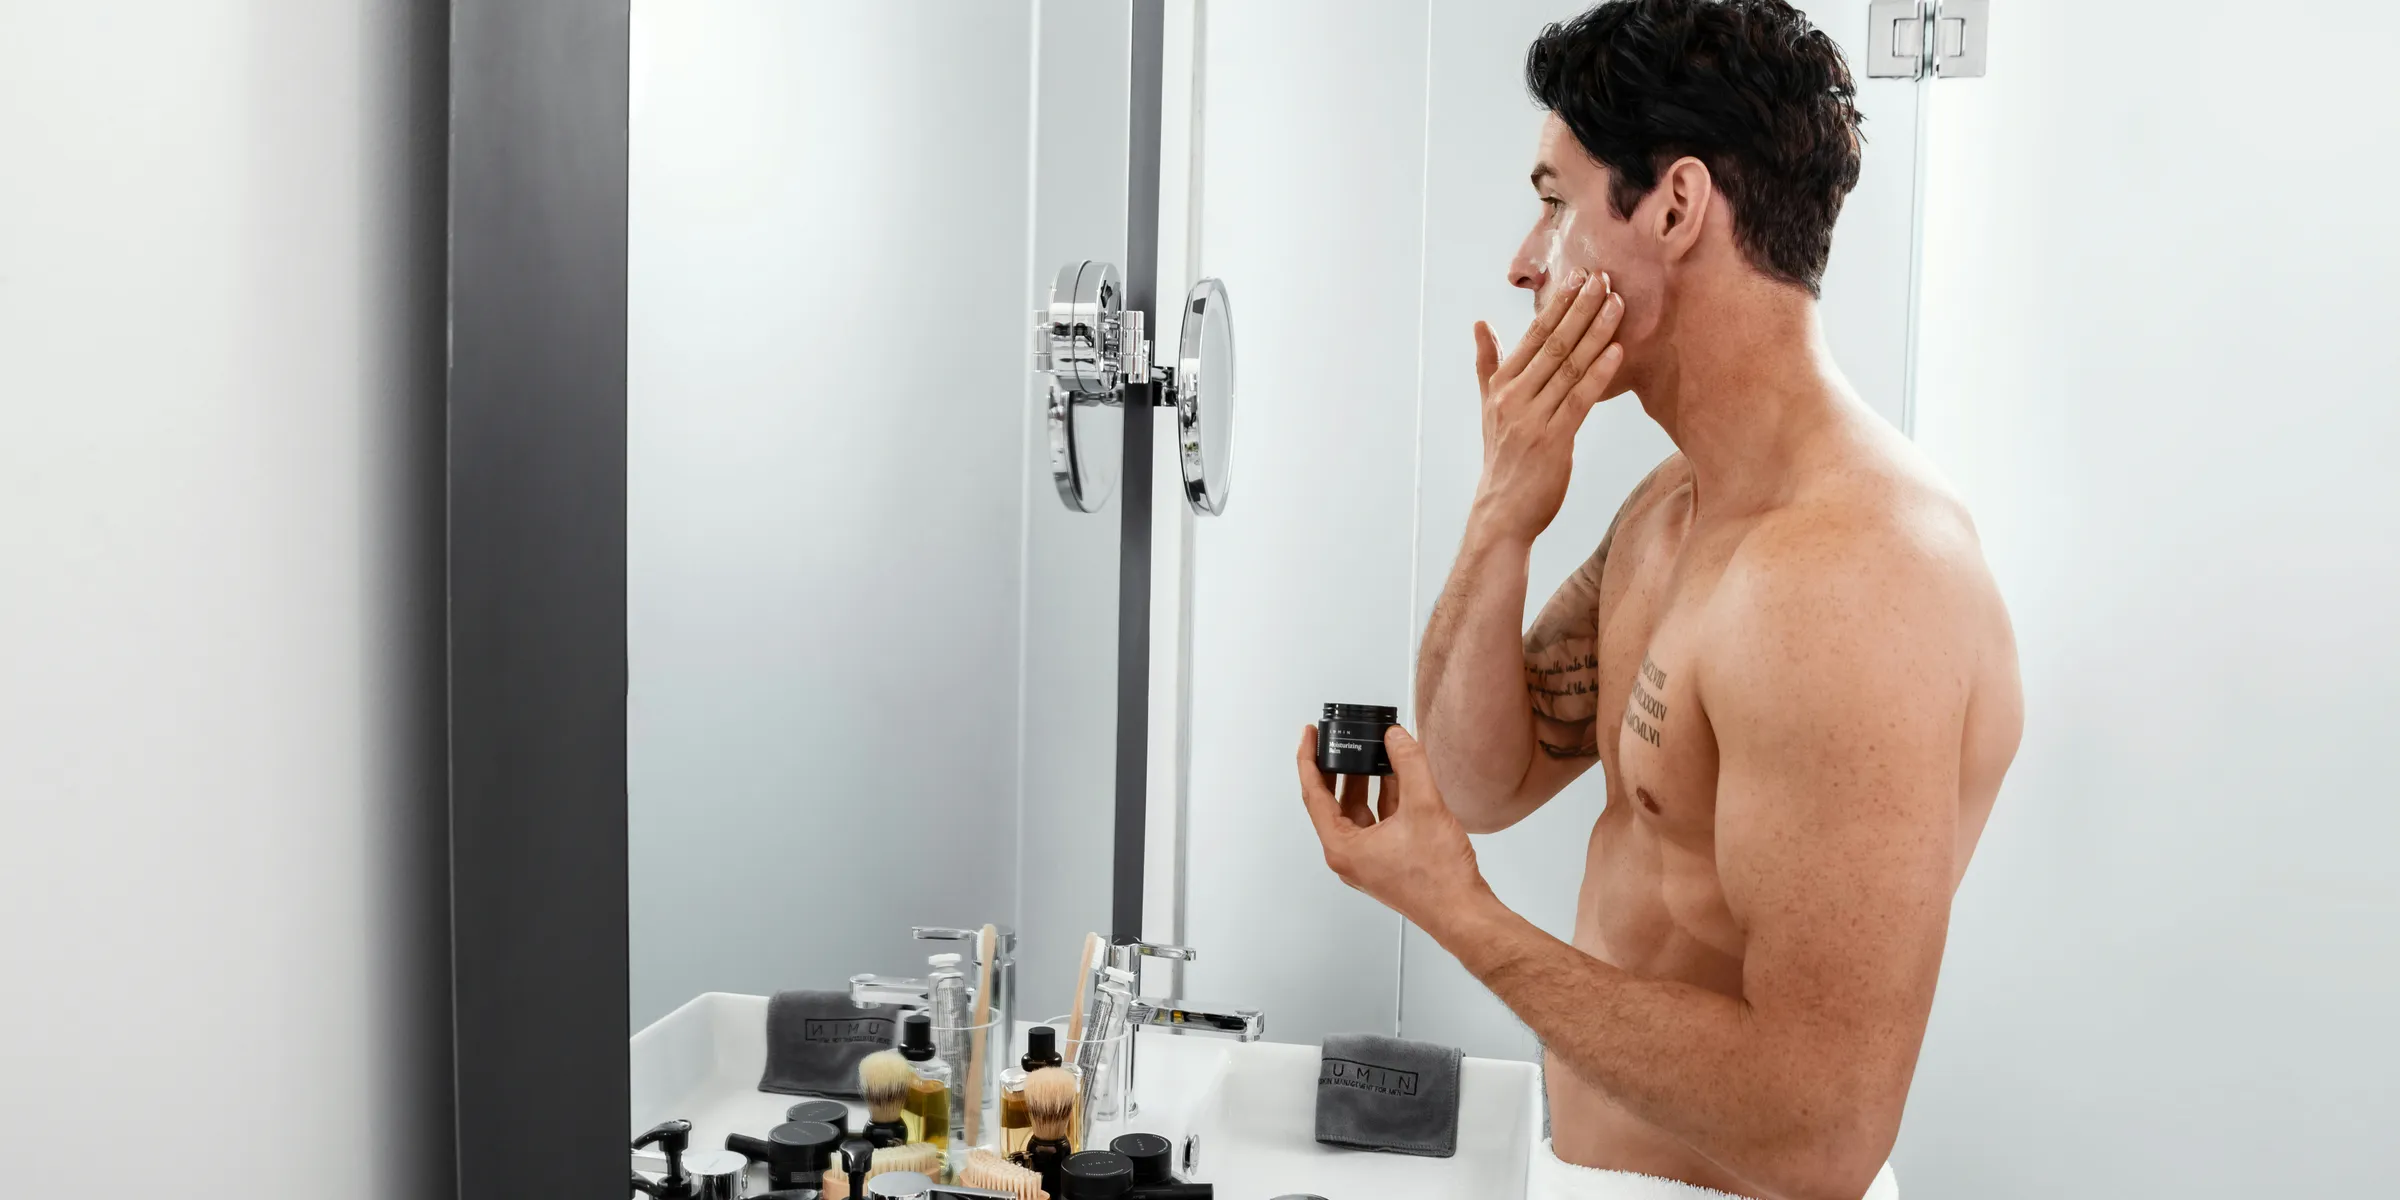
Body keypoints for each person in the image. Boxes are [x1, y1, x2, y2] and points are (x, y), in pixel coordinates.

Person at [1293, 3, 2021, 1198]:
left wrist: (1457, 915)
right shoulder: (1672, 512)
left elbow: (1821, 1133)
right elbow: (1480, 780)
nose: (1525, 262)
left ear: (1676, 207)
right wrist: (1503, 511)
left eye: (1555, 203)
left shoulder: (1855, 578)